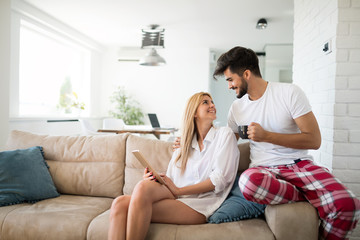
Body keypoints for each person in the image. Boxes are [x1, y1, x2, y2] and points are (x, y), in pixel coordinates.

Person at [211, 46, 360, 240]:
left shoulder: (289, 93)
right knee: (247, 182)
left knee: (349, 205)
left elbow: (314, 139)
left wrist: (267, 136)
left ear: (246, 74)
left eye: (230, 79)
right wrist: (191, 141)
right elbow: (226, 143)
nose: (229, 86)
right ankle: (306, 195)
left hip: (299, 165)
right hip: (264, 172)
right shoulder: (237, 108)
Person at [108, 92, 239, 240]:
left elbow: (218, 181)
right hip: (177, 196)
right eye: (205, 102)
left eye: (212, 101)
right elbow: (171, 179)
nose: (212, 105)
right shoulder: (184, 143)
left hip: (200, 204)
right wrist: (152, 179)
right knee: (120, 202)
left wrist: (179, 190)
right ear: (194, 112)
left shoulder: (224, 135)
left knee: (135, 201)